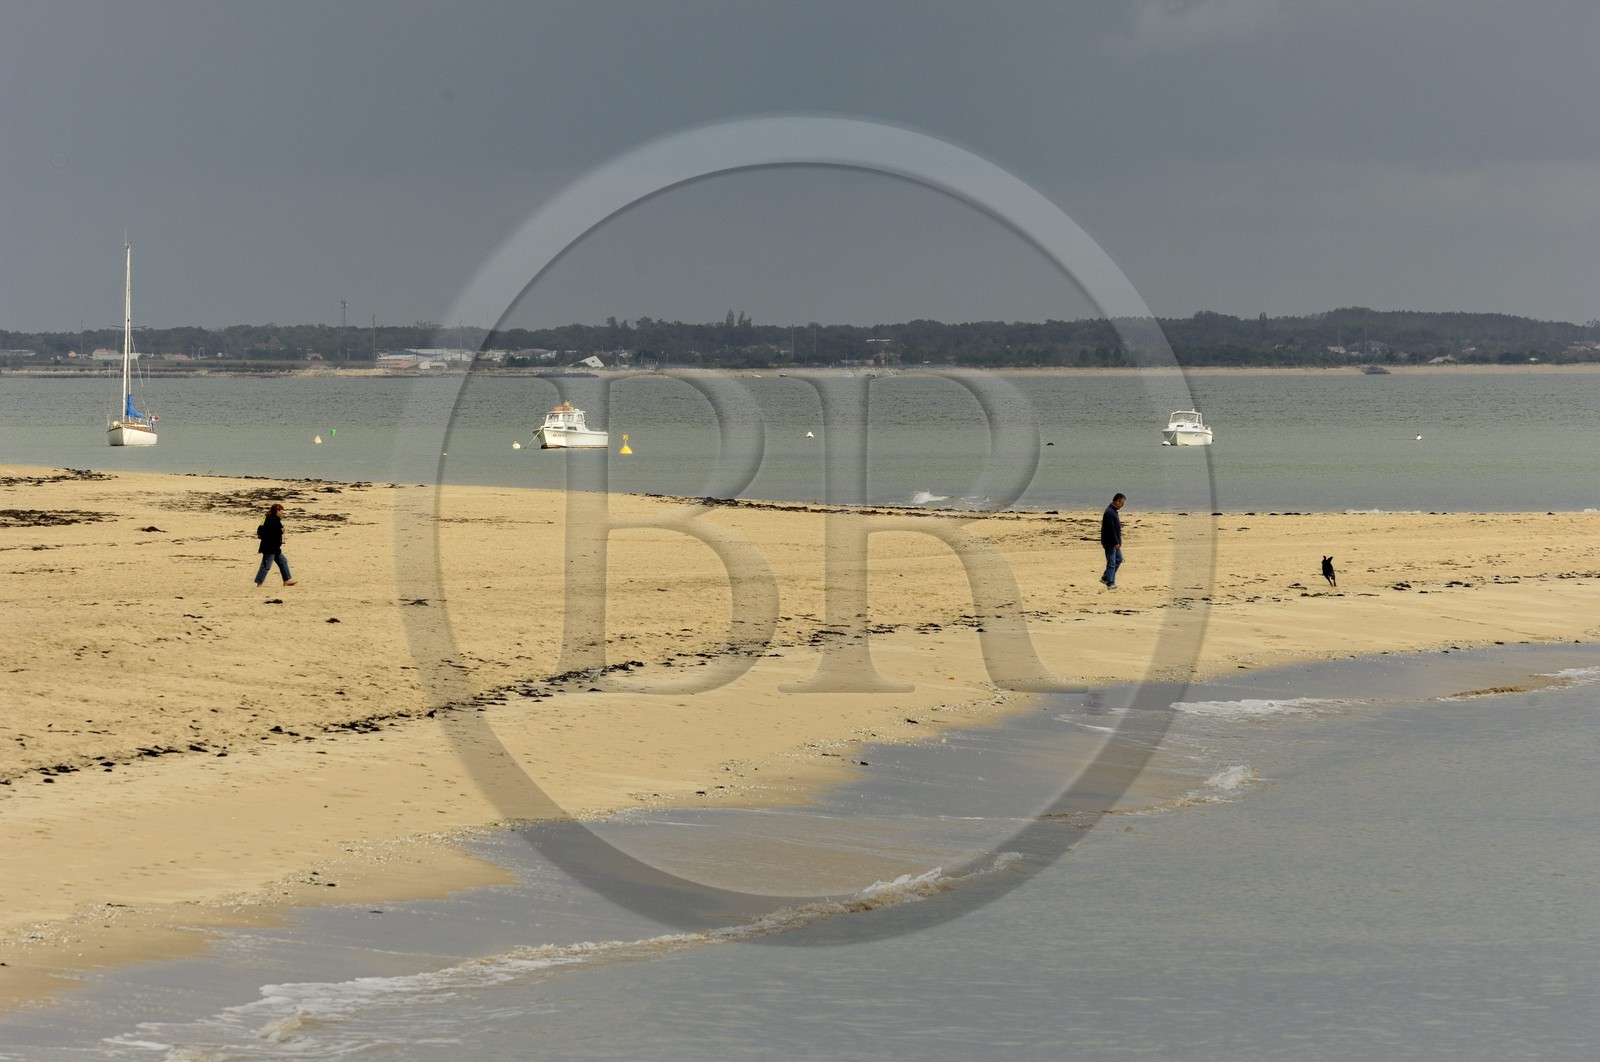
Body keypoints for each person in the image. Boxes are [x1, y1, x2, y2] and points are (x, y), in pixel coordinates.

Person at [254, 503, 297, 587]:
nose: (282, 512)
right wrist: (281, 531)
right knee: (266, 565)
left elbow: (261, 529)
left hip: (274, 547)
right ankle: (259, 583)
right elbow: (272, 532)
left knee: (283, 561)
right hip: (270, 547)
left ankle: (286, 580)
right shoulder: (273, 520)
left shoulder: (267, 518)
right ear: (277, 511)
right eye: (281, 510)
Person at [1099, 492, 1125, 589]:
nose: (1122, 505)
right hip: (1110, 542)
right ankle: (1110, 583)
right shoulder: (1109, 512)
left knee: (1119, 559)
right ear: (1117, 501)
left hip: (1114, 542)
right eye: (1122, 503)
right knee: (1111, 562)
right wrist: (1115, 542)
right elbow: (1111, 530)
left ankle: (1105, 577)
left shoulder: (1113, 511)